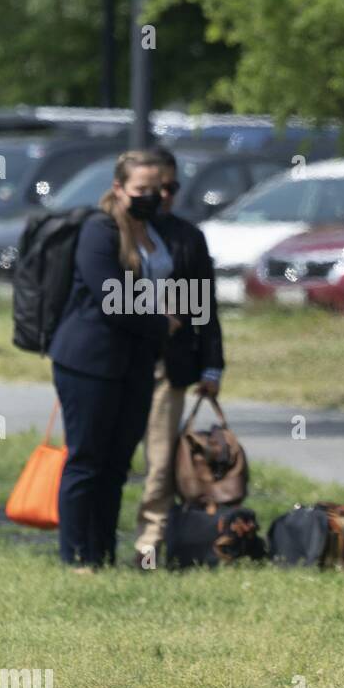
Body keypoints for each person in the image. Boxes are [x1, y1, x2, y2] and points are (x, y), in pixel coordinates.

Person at [48, 150, 180, 570]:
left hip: (136, 363)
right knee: (86, 459)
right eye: (141, 189)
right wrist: (162, 321)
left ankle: (101, 554)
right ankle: (75, 557)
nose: (151, 196)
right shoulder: (99, 230)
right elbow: (111, 298)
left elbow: (168, 289)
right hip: (90, 361)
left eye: (158, 188)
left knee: (117, 464)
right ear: (119, 188)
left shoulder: (154, 233)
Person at [133, 145, 224, 562]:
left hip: (168, 366)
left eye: (172, 187)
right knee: (111, 458)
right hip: (120, 361)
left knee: (160, 463)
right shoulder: (119, 231)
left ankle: (149, 545)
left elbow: (205, 306)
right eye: (157, 188)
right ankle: (94, 538)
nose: (164, 196)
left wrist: (212, 366)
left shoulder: (188, 238)